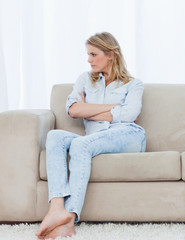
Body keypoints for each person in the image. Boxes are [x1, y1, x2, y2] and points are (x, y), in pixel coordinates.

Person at [36, 32, 146, 239]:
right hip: (94, 138)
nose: (89, 60)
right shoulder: (85, 79)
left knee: (80, 145)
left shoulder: (133, 84)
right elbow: (74, 110)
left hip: (128, 134)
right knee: (55, 136)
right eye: (88, 54)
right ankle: (57, 207)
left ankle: (69, 216)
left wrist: (88, 108)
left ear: (111, 54)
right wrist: (115, 108)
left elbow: (130, 114)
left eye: (94, 54)